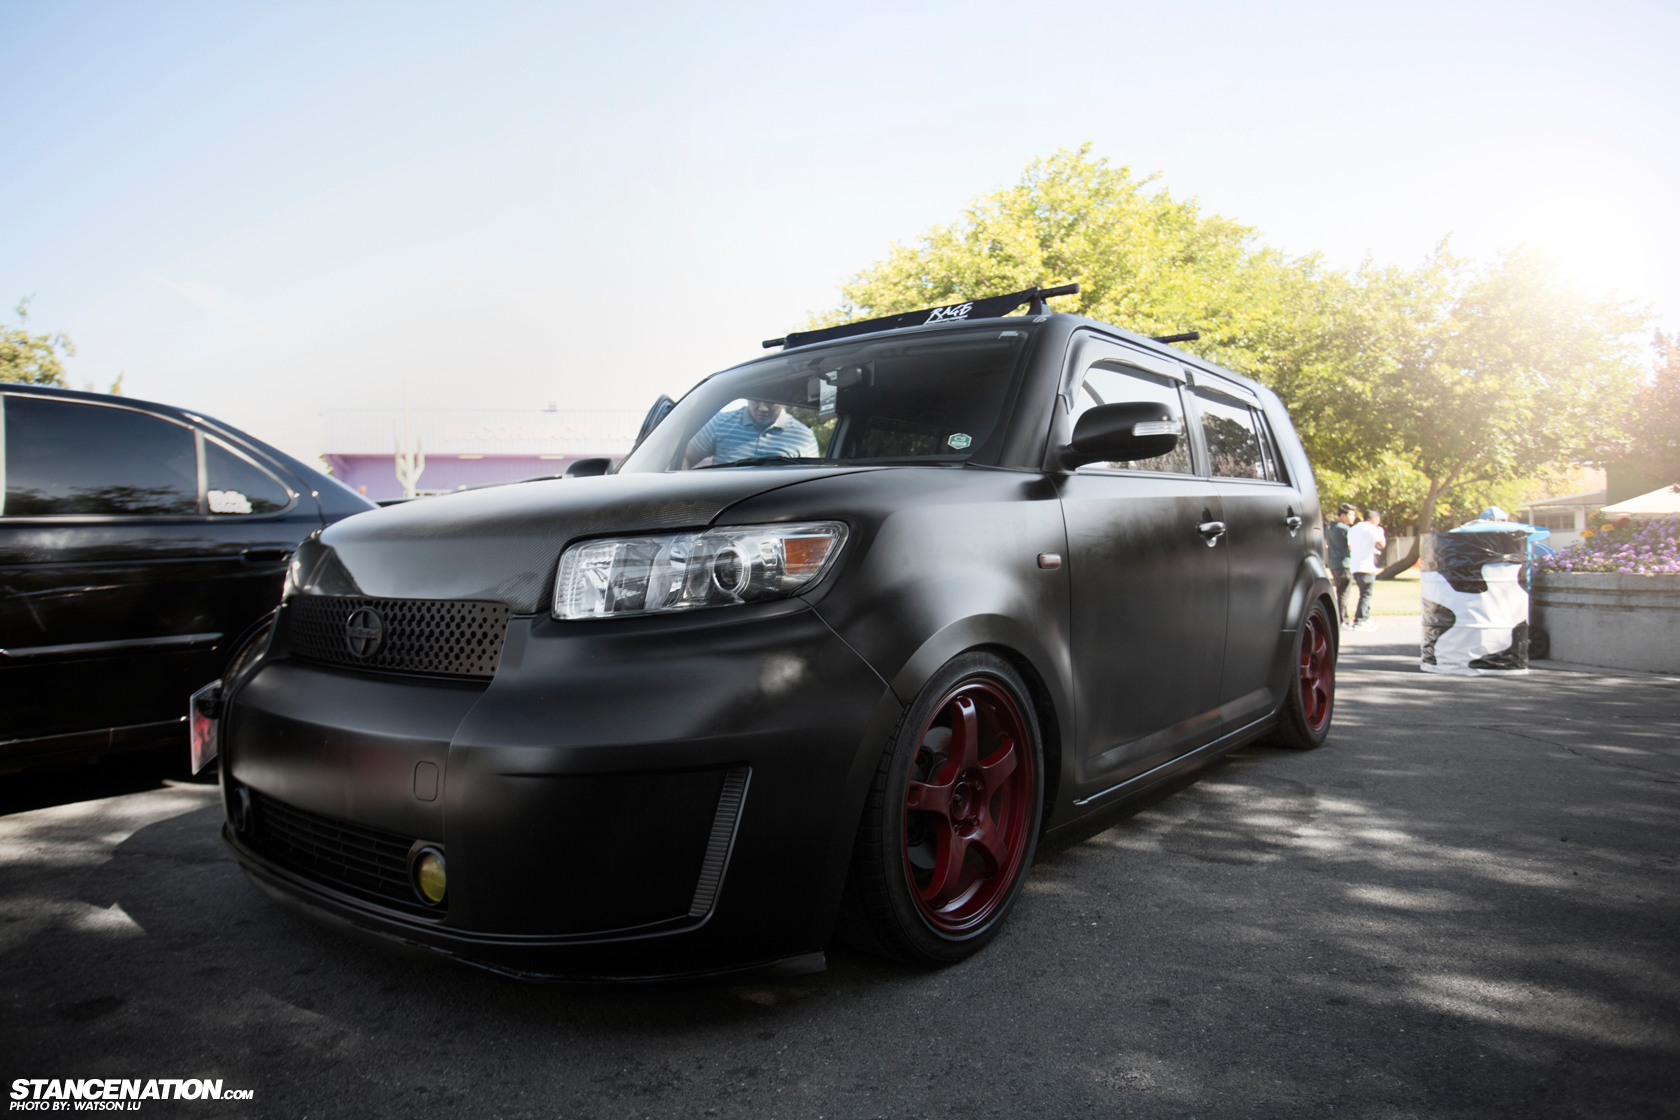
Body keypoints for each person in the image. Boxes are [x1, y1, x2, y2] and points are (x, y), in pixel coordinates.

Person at [684, 399, 818, 467]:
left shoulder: (804, 437)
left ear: (785, 402)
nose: (763, 408)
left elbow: (812, 484)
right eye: (756, 400)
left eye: (771, 402)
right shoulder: (719, 423)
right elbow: (686, 458)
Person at [1346, 509, 1386, 630]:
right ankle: (1360, 620)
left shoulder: (1353, 529)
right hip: (1366, 566)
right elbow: (1382, 544)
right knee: (1366, 594)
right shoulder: (1372, 528)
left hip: (1355, 566)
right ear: (1375, 520)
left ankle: (1366, 618)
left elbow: (1350, 547)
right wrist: (1381, 533)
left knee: (1364, 593)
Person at [1326, 503, 1358, 623]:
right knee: (1344, 593)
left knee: (1340, 592)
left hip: (1334, 564)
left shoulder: (1330, 527)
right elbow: (1353, 545)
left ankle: (1340, 617)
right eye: (1351, 515)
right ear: (1343, 515)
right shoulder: (1345, 529)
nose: (1353, 517)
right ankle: (1342, 619)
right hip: (1344, 564)